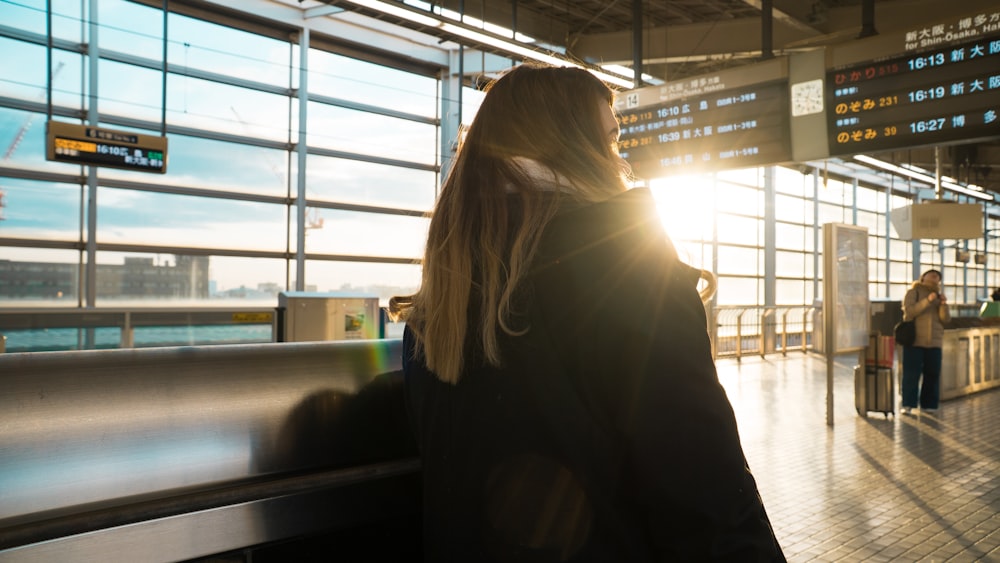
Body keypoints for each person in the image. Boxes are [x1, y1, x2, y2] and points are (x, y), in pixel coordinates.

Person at [390, 64, 784, 562]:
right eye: (611, 139)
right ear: (576, 145)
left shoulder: (443, 299)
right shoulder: (626, 267)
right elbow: (704, 488)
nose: (618, 158)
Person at [900, 269, 951, 414]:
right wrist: (927, 301)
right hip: (915, 341)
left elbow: (945, 319)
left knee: (932, 374)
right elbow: (909, 312)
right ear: (923, 277)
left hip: (934, 342)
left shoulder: (939, 297)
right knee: (911, 374)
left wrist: (943, 304)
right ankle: (908, 404)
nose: (935, 276)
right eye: (932, 274)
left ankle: (929, 404)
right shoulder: (913, 292)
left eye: (938, 276)